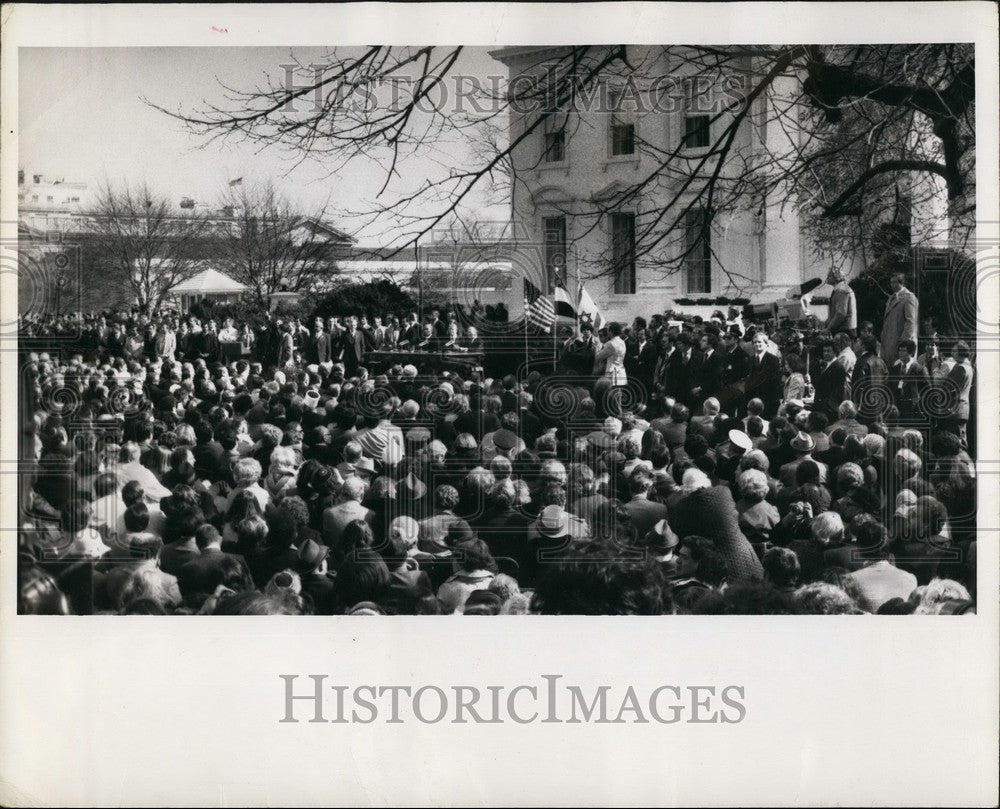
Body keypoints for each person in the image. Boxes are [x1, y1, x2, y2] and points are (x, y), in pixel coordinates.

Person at [881, 270, 919, 365]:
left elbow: (911, 321)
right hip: (888, 343)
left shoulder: (909, 297)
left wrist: (903, 343)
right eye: (891, 282)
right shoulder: (891, 298)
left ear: (901, 283)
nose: (891, 285)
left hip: (900, 345)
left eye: (894, 282)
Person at [825, 267, 857, 336]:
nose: (827, 277)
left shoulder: (841, 291)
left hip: (844, 331)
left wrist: (828, 329)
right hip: (847, 330)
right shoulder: (843, 289)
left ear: (836, 277)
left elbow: (841, 314)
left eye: (830, 275)